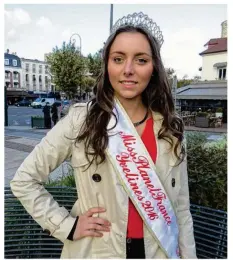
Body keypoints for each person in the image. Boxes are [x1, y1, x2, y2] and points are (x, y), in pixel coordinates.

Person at [10, 12, 196, 259]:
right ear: (107, 65)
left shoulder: (170, 128)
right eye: (118, 59)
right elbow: (24, 180)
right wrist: (67, 225)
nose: (128, 70)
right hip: (97, 250)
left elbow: (181, 209)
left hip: (159, 251)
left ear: (154, 68)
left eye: (140, 60)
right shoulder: (82, 120)